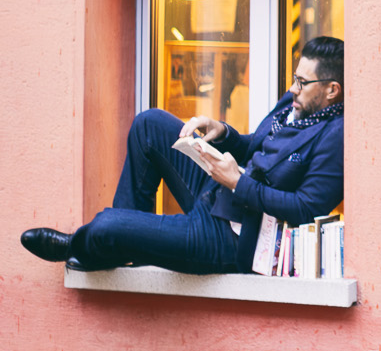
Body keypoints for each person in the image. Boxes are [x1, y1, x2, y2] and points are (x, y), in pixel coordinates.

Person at [20, 38, 344, 275]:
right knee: (150, 123)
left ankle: (81, 243)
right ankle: (121, 247)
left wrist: (238, 183)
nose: (293, 88)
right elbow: (256, 147)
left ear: (332, 90)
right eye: (295, 79)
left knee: (106, 224)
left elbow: (306, 208)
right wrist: (223, 131)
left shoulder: (335, 137)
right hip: (217, 192)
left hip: (231, 236)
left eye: (303, 82)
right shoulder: (294, 104)